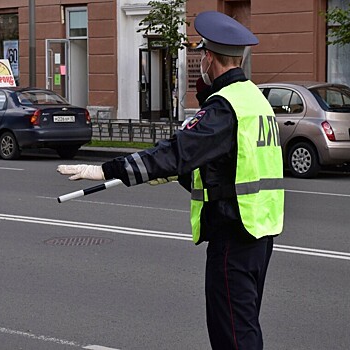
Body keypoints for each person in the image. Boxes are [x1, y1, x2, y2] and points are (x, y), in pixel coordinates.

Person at [57, 10, 284, 349]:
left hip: (233, 233)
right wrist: (176, 174)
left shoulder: (224, 108)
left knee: (233, 336)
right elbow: (232, 164)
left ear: (209, 57)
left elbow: (177, 151)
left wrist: (106, 170)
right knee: (244, 324)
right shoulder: (255, 100)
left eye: (201, 55)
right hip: (259, 229)